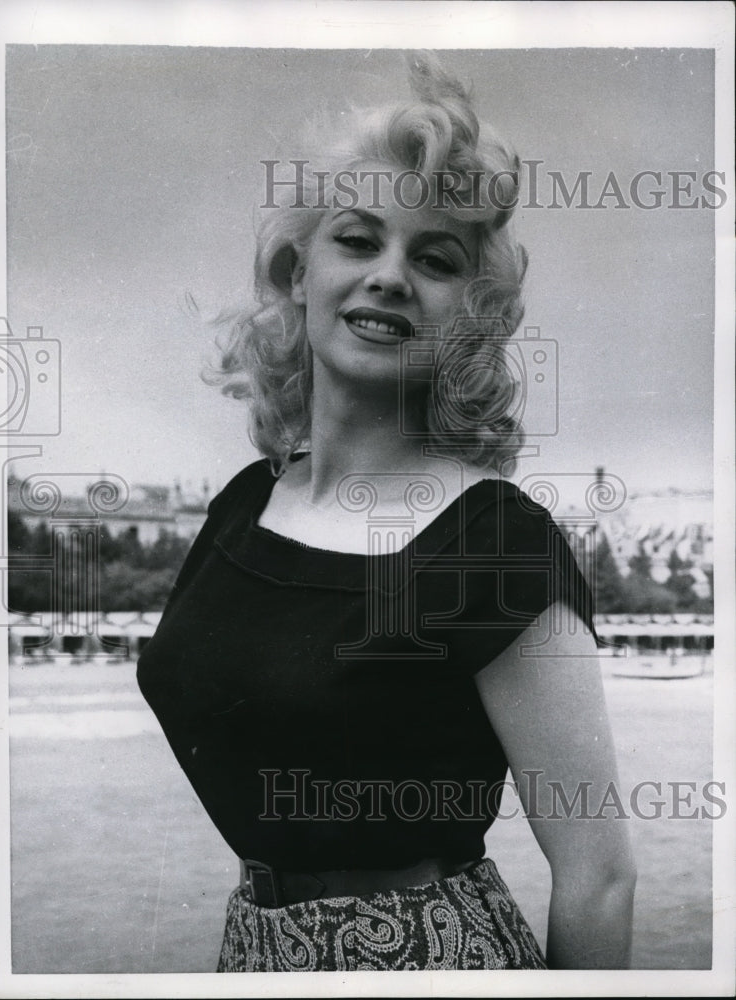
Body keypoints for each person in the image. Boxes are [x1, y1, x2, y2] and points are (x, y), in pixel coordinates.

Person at [137, 53, 636, 972]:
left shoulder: (494, 545)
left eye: (434, 259)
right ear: (297, 272)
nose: (390, 276)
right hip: (251, 952)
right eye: (358, 240)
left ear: (468, 313)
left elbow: (598, 875)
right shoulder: (244, 506)